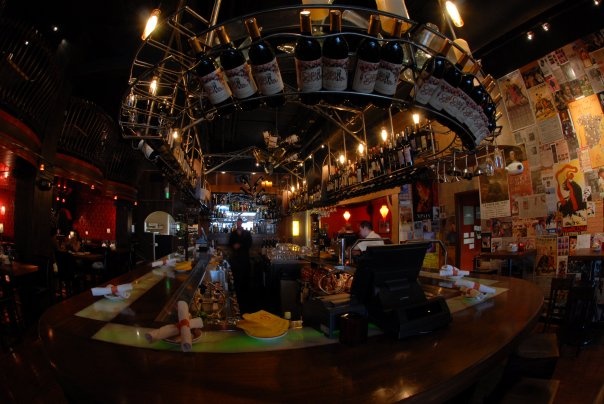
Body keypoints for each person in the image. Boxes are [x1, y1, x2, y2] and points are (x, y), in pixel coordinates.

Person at [228, 217, 253, 313]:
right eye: (237, 222)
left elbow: (250, 244)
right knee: (237, 278)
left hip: (245, 258)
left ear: (241, 223)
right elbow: (230, 243)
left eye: (240, 222)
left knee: (245, 278)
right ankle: (238, 296)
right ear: (236, 223)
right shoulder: (233, 234)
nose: (238, 224)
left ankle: (246, 300)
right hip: (236, 258)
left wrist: (240, 245)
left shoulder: (247, 233)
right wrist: (234, 246)